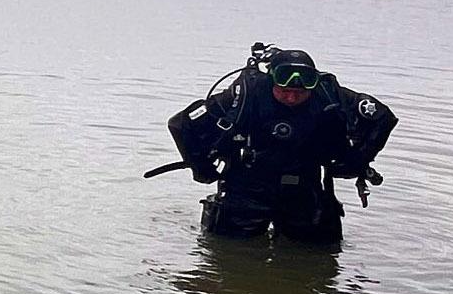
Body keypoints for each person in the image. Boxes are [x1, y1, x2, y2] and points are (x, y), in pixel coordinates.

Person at [166, 46, 396, 243]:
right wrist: (201, 169)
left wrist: (358, 160)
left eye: (299, 93)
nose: (292, 98)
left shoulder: (329, 94)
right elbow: (180, 124)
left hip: (305, 186)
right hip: (246, 186)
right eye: (285, 91)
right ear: (271, 81)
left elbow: (383, 117)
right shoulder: (247, 93)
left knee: (319, 252)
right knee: (226, 254)